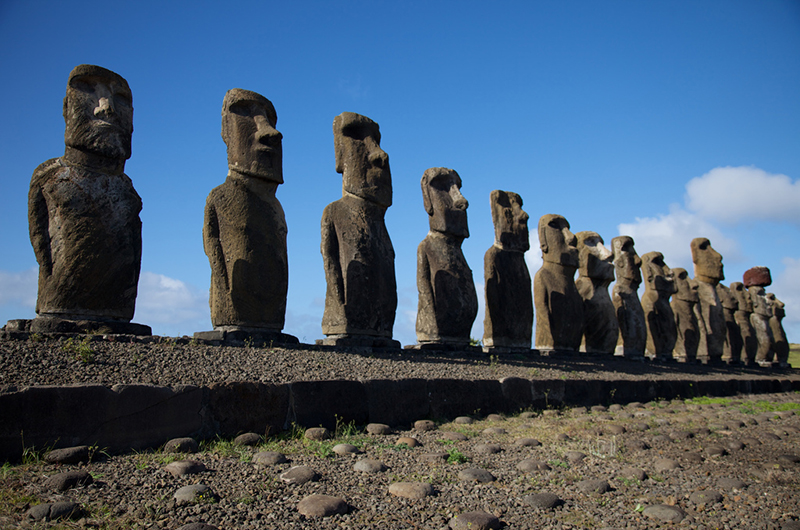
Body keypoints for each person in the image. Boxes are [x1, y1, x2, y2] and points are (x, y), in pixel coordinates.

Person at [24, 64, 149, 335]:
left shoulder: (126, 187)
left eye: (121, 99)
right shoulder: (50, 175)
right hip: (60, 301)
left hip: (116, 307)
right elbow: (42, 247)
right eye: (87, 89)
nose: (107, 107)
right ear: (67, 107)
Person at [200, 88, 297, 344]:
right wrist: (226, 294)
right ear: (225, 131)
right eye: (245, 114)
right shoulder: (221, 197)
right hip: (233, 312)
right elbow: (214, 251)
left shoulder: (275, 206)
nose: (270, 132)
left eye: (270, 120)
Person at [320, 112, 398, 347]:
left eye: (376, 141)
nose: (380, 154)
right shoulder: (335, 212)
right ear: (339, 153)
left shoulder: (380, 225)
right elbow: (331, 264)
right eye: (356, 137)